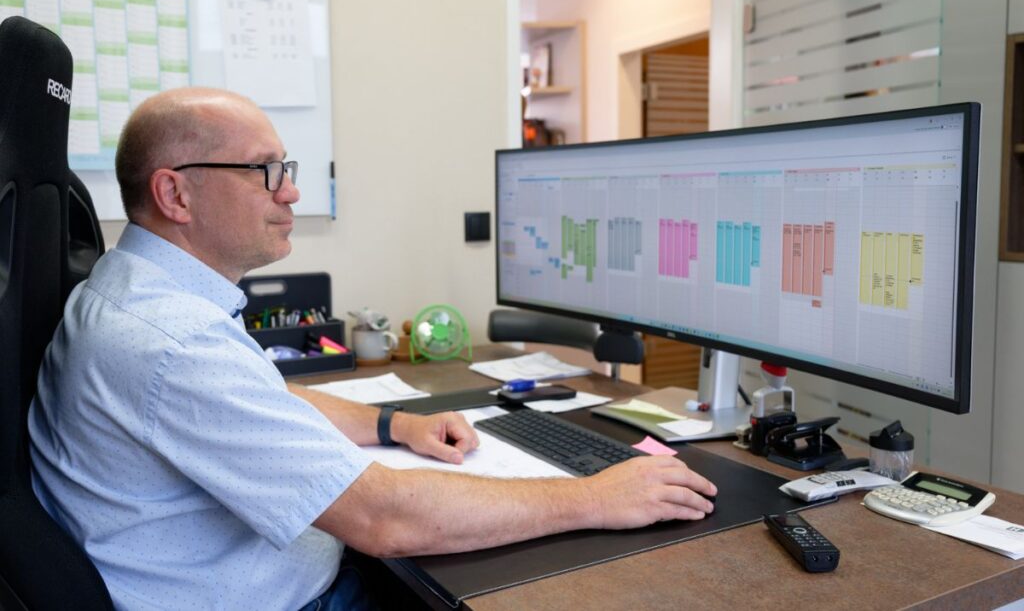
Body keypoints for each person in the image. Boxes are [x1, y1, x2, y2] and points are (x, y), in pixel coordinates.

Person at [28, 87, 716, 610]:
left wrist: (394, 424)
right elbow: (385, 518)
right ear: (175, 193)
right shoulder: (174, 342)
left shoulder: (131, 288)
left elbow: (265, 398)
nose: (291, 190)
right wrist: (594, 497)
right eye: (264, 170)